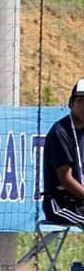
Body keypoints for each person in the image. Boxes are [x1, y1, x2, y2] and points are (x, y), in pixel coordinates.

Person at [42, 79, 84, 227]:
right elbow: (66, 179)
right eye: (81, 100)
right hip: (61, 203)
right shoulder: (60, 132)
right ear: (71, 103)